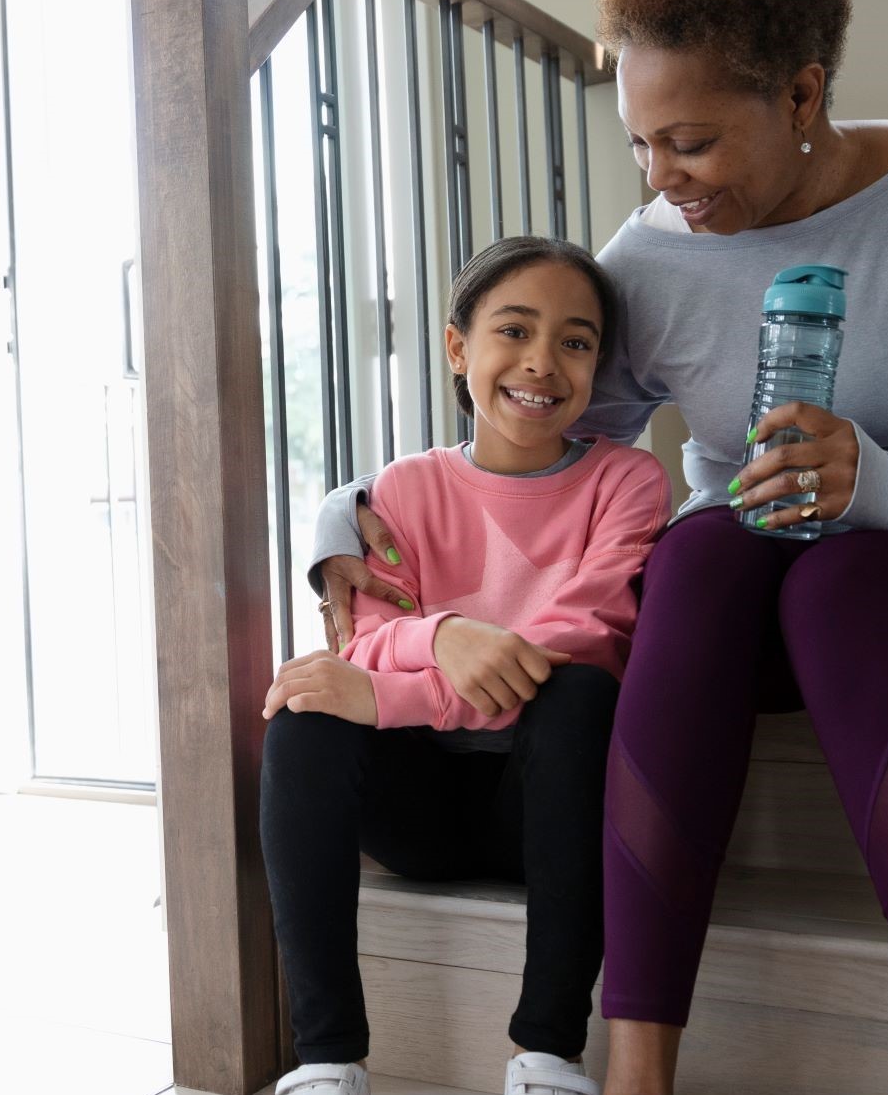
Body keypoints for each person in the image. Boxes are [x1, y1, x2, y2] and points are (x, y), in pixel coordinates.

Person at [310, 0, 888, 1095]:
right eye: (640, 146)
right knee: (701, 555)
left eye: (692, 143)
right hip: (748, 597)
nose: (664, 182)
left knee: (843, 582)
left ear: (803, 95)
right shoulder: (650, 254)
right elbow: (528, 440)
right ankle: (637, 1069)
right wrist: (343, 517)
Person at [261, 236, 670, 1095]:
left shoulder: (626, 483)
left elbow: (578, 639)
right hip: (421, 816)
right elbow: (363, 641)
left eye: (575, 341)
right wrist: (445, 636)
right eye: (513, 330)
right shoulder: (402, 491)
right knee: (303, 712)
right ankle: (327, 1062)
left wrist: (393, 697)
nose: (541, 363)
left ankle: (548, 1056)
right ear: (457, 347)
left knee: (582, 692)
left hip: (548, 804)